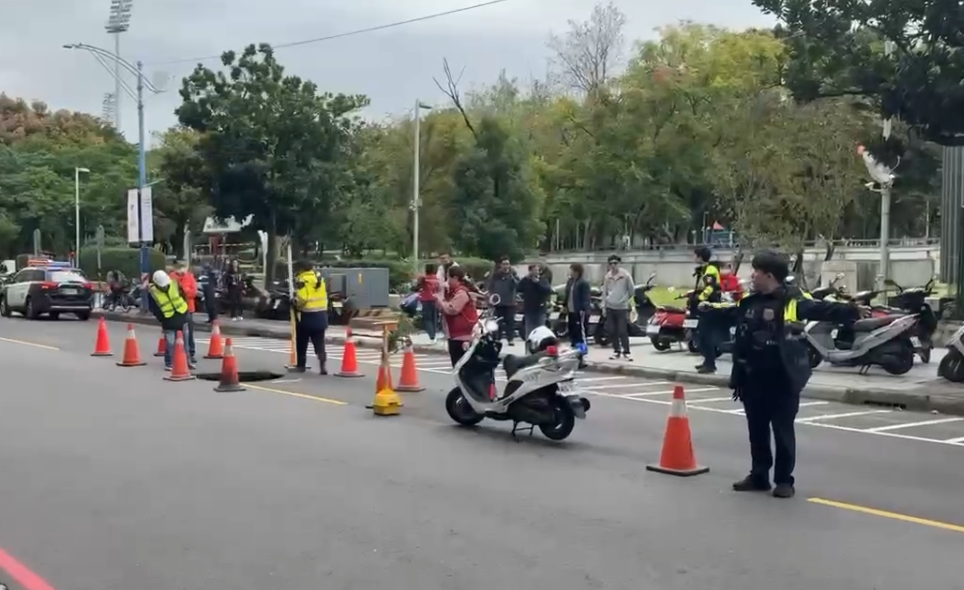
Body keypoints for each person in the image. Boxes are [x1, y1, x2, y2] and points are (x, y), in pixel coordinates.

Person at [703, 250, 866, 498]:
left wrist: (851, 310)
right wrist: (706, 309)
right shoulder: (750, 302)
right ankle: (759, 476)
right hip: (752, 378)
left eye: (755, 271)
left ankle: (784, 481)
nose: (751, 276)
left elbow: (822, 308)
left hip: (783, 379)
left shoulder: (793, 301)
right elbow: (729, 312)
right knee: (757, 431)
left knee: (782, 431)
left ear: (769, 276)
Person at [146, 270, 191, 371]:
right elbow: (154, 308)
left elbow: (183, 295)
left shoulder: (174, 284)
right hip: (168, 319)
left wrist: (185, 310)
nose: (164, 287)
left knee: (185, 341)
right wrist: (162, 319)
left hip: (182, 314)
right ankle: (170, 363)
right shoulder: (153, 292)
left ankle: (186, 361)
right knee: (170, 343)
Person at [436, 266, 479, 367]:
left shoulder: (461, 293)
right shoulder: (454, 292)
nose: (447, 281)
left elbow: (452, 309)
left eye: (448, 278)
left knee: (461, 366)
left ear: (455, 278)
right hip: (456, 335)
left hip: (462, 336)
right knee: (458, 365)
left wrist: (440, 301)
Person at [292, 260, 329, 374]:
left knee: (301, 342)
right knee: (319, 342)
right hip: (321, 314)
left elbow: (303, 298)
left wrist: (295, 302)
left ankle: (301, 366)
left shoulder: (302, 280)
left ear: (301, 269)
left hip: (307, 316)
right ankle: (322, 366)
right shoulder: (319, 278)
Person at [693, 246, 723, 374]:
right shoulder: (704, 269)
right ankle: (707, 362)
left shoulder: (710, 269)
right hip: (705, 306)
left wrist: (699, 298)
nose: (693, 257)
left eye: (694, 255)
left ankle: (710, 365)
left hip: (710, 307)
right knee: (702, 336)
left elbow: (710, 288)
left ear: (700, 257)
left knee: (706, 336)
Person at [601, 254, 635, 361]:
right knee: (611, 330)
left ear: (619, 264)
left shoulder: (625, 275)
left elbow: (631, 290)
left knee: (622, 330)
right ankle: (616, 350)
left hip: (622, 307)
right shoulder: (607, 276)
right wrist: (604, 306)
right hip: (610, 306)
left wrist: (625, 300)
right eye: (611, 263)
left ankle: (626, 351)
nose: (613, 265)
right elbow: (604, 292)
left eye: (615, 263)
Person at [170, 261, 199, 366]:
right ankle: (175, 354)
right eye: (180, 268)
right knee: (175, 333)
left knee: (189, 332)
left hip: (188, 308)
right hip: (175, 309)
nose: (182, 270)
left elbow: (194, 292)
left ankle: (191, 353)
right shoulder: (172, 277)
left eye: (184, 268)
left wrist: (184, 291)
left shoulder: (189, 277)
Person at [486, 256, 520, 345]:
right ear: (500, 265)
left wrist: (512, 277)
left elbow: (518, 285)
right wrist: (491, 297)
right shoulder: (496, 275)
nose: (506, 266)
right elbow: (490, 287)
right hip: (498, 303)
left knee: (510, 322)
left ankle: (510, 339)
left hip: (510, 303)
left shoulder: (513, 275)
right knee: (498, 322)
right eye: (504, 264)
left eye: (507, 264)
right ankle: (498, 338)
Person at [563, 263, 591, 356]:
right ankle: (574, 347)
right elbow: (567, 294)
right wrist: (564, 305)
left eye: (571, 270)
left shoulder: (583, 282)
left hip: (579, 311)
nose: (570, 272)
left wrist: (584, 309)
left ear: (576, 271)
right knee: (572, 330)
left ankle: (582, 351)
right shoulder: (570, 281)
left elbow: (586, 297)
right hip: (571, 310)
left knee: (580, 332)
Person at [518, 264, 553, 339]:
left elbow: (547, 290)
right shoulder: (526, 281)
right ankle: (529, 343)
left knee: (540, 329)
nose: (536, 272)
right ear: (530, 271)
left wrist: (538, 283)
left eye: (537, 270)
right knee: (529, 329)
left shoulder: (543, 280)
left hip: (540, 309)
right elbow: (518, 288)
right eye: (534, 270)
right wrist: (525, 278)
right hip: (529, 309)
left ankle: (540, 342)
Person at [417, 263, 440, 341]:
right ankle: (434, 332)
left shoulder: (424, 279)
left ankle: (431, 335)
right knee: (434, 317)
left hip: (426, 300)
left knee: (427, 319)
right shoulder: (436, 279)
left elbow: (417, 286)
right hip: (435, 300)